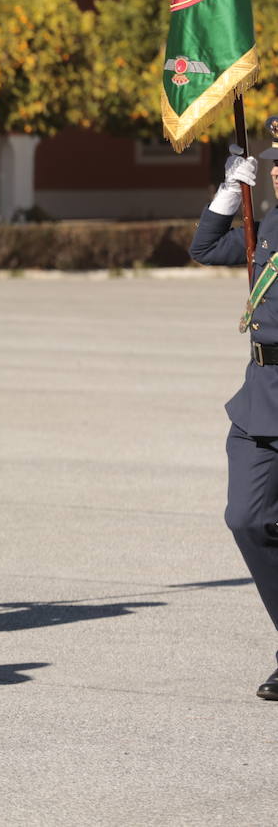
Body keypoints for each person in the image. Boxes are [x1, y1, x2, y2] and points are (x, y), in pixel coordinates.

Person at [188, 134, 278, 702]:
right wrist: (229, 193)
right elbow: (204, 248)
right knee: (245, 517)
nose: (276, 173)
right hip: (261, 396)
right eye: (273, 164)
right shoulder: (267, 224)